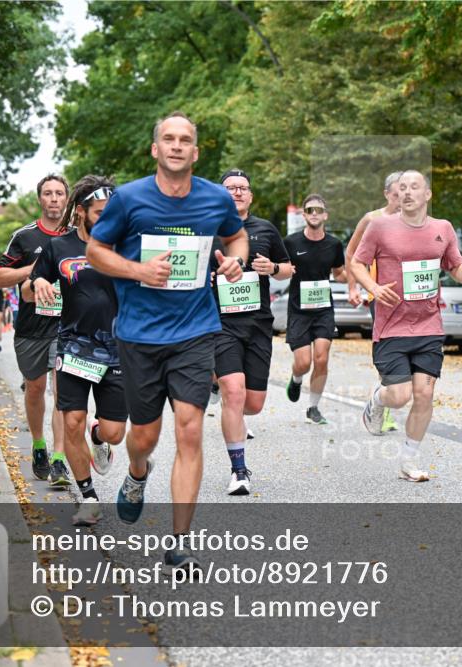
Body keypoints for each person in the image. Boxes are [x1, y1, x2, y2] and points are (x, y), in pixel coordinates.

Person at [87, 111, 247, 571]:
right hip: (139, 334)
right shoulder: (129, 199)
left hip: (196, 330)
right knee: (144, 436)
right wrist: (138, 271)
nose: (177, 146)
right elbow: (97, 251)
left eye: (186, 141)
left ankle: (179, 543)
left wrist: (236, 261)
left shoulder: (216, 199)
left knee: (190, 429)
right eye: (169, 139)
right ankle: (138, 472)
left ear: (195, 153)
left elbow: (236, 238)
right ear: (156, 149)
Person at [350, 170, 462, 482]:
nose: (407, 192)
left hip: (428, 326)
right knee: (399, 396)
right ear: (395, 194)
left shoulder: (442, 228)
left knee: (424, 394)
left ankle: (410, 460)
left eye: (414, 187)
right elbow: (357, 263)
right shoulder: (380, 227)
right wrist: (373, 287)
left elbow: (456, 270)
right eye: (402, 188)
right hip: (391, 326)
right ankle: (377, 400)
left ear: (427, 195)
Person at [31, 175, 126, 526]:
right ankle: (88, 497)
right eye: (100, 212)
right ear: (82, 211)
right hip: (72, 347)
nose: (108, 217)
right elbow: (31, 286)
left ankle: (100, 438)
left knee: (115, 431)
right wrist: (38, 281)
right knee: (72, 421)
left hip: (118, 349)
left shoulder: (125, 244)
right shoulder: (59, 247)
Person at [211, 168, 293, 495]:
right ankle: (239, 470)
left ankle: (224, 396)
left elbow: (287, 269)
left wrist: (272, 268)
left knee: (253, 403)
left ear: (251, 195)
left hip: (258, 323)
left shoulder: (266, 229)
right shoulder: (208, 229)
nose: (237, 192)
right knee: (233, 390)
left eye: (243, 188)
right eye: (230, 187)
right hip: (220, 324)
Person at [0, 174, 70, 486]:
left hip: (67, 327)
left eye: (59, 193)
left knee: (63, 391)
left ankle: (60, 458)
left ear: (67, 199)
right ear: (40, 199)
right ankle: (39, 444)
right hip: (30, 328)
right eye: (48, 194)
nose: (54, 199)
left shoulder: (78, 237)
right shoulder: (24, 237)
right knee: (36, 389)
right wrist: (36, 269)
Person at [345, 172, 403, 433]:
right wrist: (353, 286)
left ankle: (387, 399)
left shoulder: (417, 221)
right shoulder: (372, 219)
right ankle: (385, 408)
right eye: (395, 192)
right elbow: (352, 254)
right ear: (386, 194)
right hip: (379, 297)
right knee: (390, 350)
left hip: (409, 298)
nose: (401, 197)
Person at [283, 194, 346, 425]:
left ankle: (313, 407)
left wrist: (357, 281)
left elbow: (339, 272)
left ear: (325, 215)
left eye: (319, 210)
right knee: (303, 362)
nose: (314, 214)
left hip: (323, 310)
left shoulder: (334, 244)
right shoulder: (291, 243)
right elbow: (280, 268)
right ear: (304, 214)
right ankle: (297, 378)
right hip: (299, 310)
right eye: (310, 210)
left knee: (321, 358)